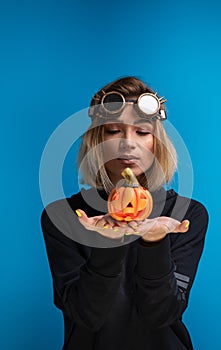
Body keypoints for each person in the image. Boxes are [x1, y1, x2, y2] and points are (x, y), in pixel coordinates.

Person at [41, 76, 209, 350]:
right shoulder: (63, 216)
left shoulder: (187, 215)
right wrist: (109, 241)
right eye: (113, 131)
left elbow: (162, 314)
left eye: (142, 132)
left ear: (157, 142)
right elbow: (87, 315)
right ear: (97, 141)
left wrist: (154, 243)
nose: (127, 143)